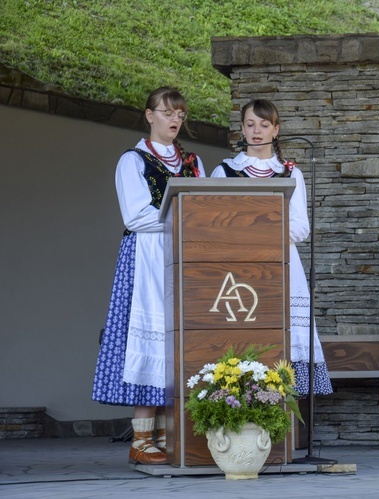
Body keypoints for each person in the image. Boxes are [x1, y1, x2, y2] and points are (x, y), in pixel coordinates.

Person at [92, 87, 206, 465]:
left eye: (180, 114)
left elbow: (206, 206)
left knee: (179, 341)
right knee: (151, 336)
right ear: (149, 115)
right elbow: (136, 217)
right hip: (146, 258)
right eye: (167, 112)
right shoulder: (133, 160)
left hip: (185, 256)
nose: (175, 120)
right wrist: (182, 216)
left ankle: (166, 434)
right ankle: (141, 439)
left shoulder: (193, 161)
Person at [210, 99, 333, 397]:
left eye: (264, 125)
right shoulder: (224, 171)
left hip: (282, 266)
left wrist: (255, 228)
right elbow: (214, 222)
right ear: (241, 128)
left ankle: (280, 416)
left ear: (276, 130)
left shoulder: (291, 173)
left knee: (282, 333)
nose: (256, 131)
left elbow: (301, 227)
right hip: (238, 266)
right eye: (250, 124)